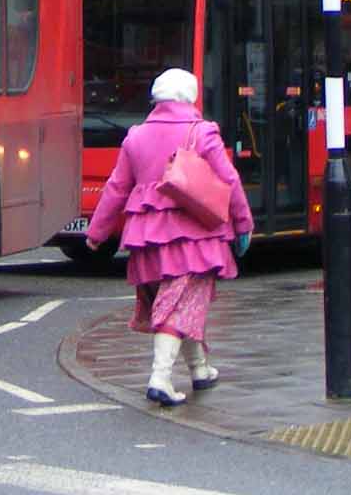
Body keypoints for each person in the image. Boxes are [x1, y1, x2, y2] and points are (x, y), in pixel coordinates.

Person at [84, 67, 254, 407]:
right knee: (180, 307)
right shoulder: (202, 132)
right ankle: (160, 378)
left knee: (181, 304)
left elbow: (117, 188)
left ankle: (200, 369)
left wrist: (96, 232)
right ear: (189, 96)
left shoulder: (135, 136)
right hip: (195, 240)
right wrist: (243, 223)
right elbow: (230, 180)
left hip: (145, 242)